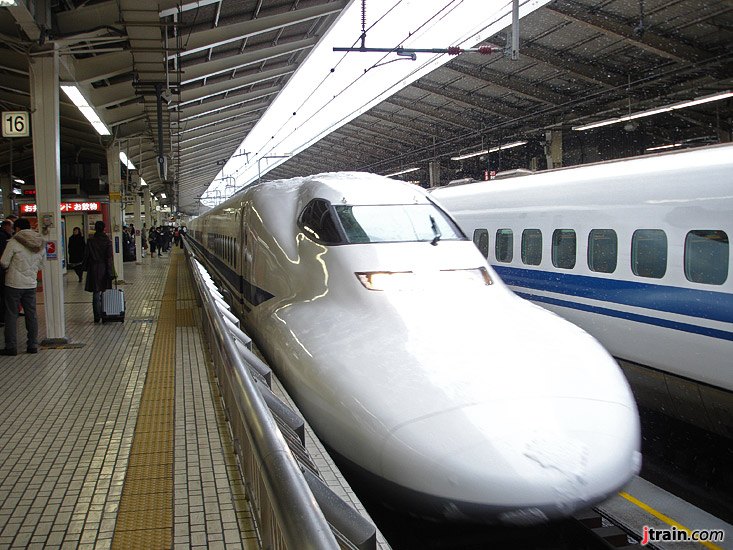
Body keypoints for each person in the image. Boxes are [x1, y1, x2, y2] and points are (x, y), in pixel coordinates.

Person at [0, 218, 45, 355]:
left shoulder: (14, 242)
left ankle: (11, 347)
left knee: (11, 315)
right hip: (30, 284)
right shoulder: (40, 242)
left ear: (18, 229)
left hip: (13, 284)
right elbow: (41, 265)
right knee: (31, 314)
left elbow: (4, 262)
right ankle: (32, 345)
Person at [83, 220, 114, 323]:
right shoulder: (107, 242)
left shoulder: (90, 241)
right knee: (105, 292)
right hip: (104, 268)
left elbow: (86, 256)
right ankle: (106, 313)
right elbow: (109, 258)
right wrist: (111, 272)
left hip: (93, 268)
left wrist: (85, 268)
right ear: (104, 229)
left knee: (96, 293)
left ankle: (97, 316)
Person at [0, 220, 14, 327]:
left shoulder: (10, 240)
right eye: (11, 226)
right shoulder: (5, 238)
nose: (12, 229)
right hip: (5, 273)